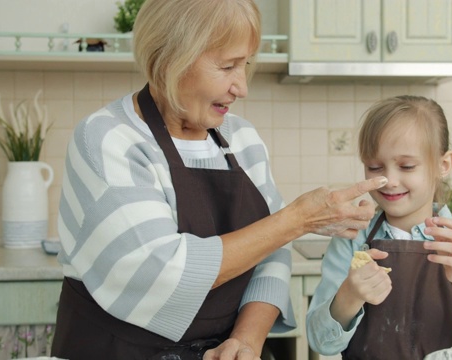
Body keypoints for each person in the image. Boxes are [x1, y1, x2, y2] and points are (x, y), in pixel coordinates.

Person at [50, 0, 387, 359]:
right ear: (169, 58)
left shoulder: (243, 139)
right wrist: (297, 219)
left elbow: (272, 255)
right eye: (227, 66)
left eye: (245, 65)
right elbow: (161, 273)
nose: (241, 87)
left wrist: (246, 340)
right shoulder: (109, 138)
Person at [306, 96, 452, 359]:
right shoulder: (351, 240)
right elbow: (320, 342)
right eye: (375, 167)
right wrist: (349, 296)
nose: (389, 180)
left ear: (443, 165)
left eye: (406, 166)